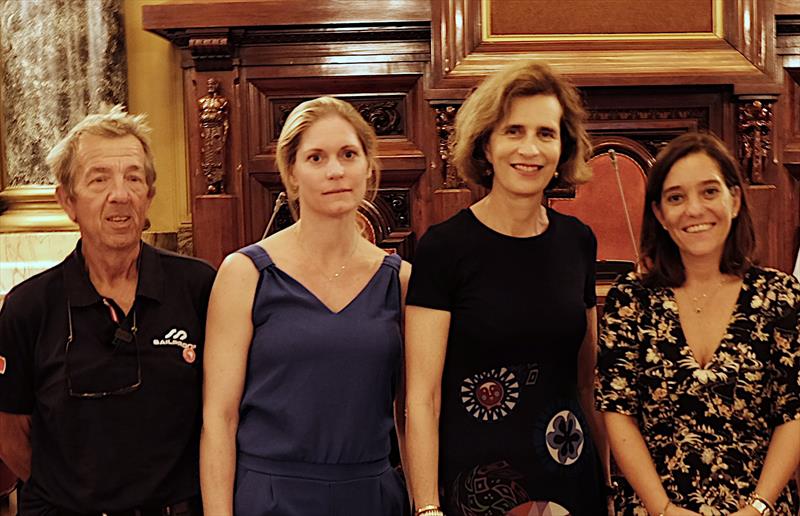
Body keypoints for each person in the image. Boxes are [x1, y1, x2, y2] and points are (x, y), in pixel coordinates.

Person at [405, 61, 609, 516]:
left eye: (546, 133)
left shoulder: (578, 240)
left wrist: (609, 487)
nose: (530, 149)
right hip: (477, 487)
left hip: (570, 474)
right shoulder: (444, 248)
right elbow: (421, 398)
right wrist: (427, 507)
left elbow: (586, 383)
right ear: (486, 143)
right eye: (513, 130)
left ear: (564, 147)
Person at [200, 96, 411, 516]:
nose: (335, 170)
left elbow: (412, 412)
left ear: (368, 167)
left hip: (370, 496)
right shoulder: (245, 273)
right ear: (291, 175)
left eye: (348, 154)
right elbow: (219, 420)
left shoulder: (400, 280)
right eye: (316, 157)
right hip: (272, 497)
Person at [0, 105, 216, 515]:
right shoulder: (28, 307)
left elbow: (222, 416)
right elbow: (10, 435)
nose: (121, 194)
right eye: (99, 179)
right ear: (68, 201)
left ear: (149, 194)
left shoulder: (199, 287)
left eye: (134, 178)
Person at [596, 132, 800, 515]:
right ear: (659, 213)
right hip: (655, 509)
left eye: (709, 192)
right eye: (676, 197)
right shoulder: (631, 299)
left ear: (734, 200)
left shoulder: (781, 295)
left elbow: (795, 411)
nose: (694, 209)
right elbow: (618, 411)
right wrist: (664, 509)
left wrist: (758, 506)